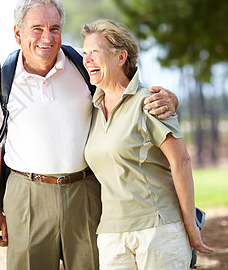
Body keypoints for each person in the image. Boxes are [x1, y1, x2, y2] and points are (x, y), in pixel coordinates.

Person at [0, 0, 178, 270]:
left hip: (85, 193)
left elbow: (129, 94)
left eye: (54, 28)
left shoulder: (83, 66)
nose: (47, 37)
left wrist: (171, 99)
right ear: (18, 34)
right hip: (26, 197)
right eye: (37, 29)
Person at [81, 19, 214, 269]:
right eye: (85, 53)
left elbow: (181, 162)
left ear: (121, 57)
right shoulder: (91, 108)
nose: (87, 60)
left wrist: (190, 225)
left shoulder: (151, 102)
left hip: (158, 229)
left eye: (95, 52)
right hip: (111, 233)